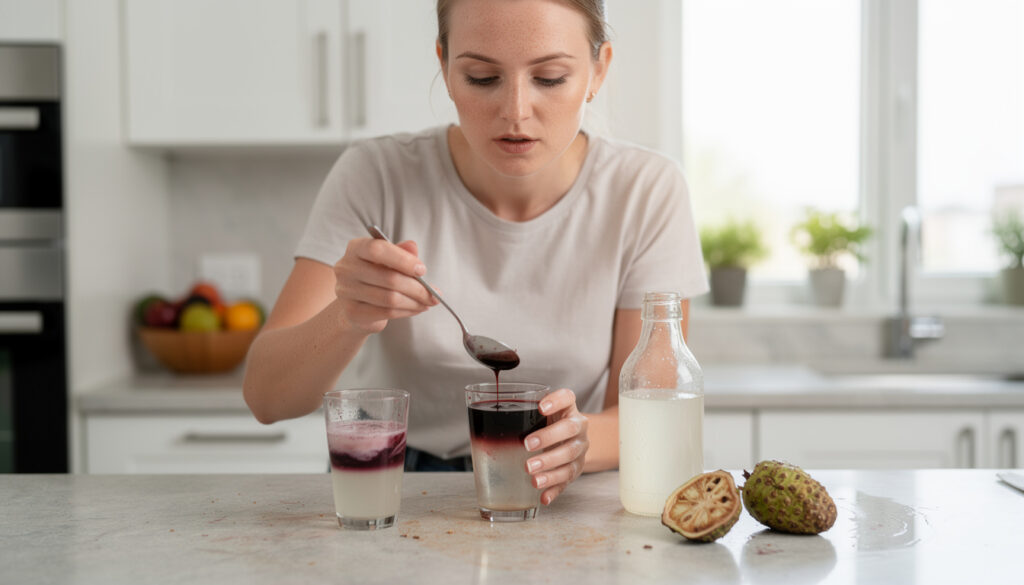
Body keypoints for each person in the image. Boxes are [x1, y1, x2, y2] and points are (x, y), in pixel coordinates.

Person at [243, 0, 707, 506]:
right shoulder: (375, 174)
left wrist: (582, 439)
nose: (515, 111)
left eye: (549, 78)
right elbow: (267, 398)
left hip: (561, 494)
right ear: (444, 67)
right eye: (483, 78)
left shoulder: (647, 191)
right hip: (402, 493)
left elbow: (652, 411)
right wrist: (348, 316)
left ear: (598, 70)